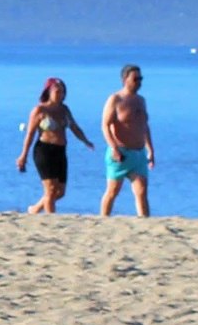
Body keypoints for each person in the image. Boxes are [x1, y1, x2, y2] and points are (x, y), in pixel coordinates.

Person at [15, 76, 89, 213]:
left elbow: (74, 127)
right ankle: (51, 219)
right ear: (48, 91)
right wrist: (23, 155)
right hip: (44, 151)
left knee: (60, 192)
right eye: (57, 91)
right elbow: (30, 134)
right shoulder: (39, 110)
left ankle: (35, 209)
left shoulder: (64, 109)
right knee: (50, 190)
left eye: (62, 91)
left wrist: (85, 141)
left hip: (60, 151)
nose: (60, 94)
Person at [98, 64, 157, 217]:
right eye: (135, 79)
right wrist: (114, 148)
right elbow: (105, 125)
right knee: (113, 191)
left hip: (138, 153)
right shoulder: (115, 99)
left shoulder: (141, 100)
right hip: (120, 153)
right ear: (125, 79)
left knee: (142, 190)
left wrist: (150, 149)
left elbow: (144, 125)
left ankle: (145, 221)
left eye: (140, 79)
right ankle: (103, 220)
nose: (139, 82)